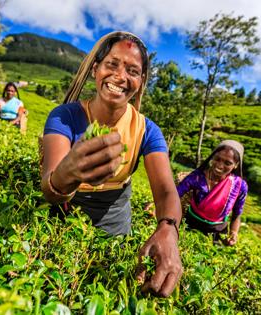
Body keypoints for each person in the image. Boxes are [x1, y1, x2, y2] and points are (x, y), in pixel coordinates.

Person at [41, 31, 182, 297]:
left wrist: (168, 228)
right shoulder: (65, 117)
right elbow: (49, 189)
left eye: (132, 71)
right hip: (65, 211)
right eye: (112, 64)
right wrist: (67, 174)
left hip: (114, 216)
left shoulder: (146, 131)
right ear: (96, 69)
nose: (120, 76)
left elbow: (165, 191)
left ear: (140, 82)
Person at [176, 140, 248, 245]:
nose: (219, 165)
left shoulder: (240, 186)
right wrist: (156, 206)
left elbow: (237, 215)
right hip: (190, 226)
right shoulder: (197, 177)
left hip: (217, 234)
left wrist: (233, 233)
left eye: (227, 163)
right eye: (217, 159)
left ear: (236, 165)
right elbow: (175, 195)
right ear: (212, 157)